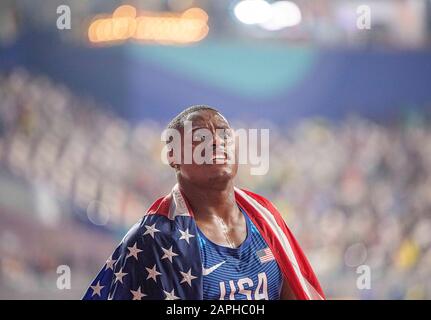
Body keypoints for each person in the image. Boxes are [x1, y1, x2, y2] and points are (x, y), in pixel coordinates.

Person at [83, 105, 324, 300]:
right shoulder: (152, 238)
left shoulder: (266, 218)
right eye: (200, 137)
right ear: (173, 156)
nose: (216, 142)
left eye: (224, 134)